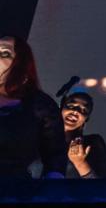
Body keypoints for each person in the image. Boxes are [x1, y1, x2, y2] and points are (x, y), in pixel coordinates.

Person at [0, 36, 66, 179]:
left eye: (4, 53)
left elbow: (55, 154)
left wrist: (51, 188)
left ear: (19, 64)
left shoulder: (38, 104)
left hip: (13, 190)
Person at [61, 91, 106, 179]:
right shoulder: (37, 138)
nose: (75, 111)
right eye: (71, 106)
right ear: (61, 108)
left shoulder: (92, 143)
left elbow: (102, 188)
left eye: (83, 110)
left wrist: (80, 163)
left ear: (86, 119)